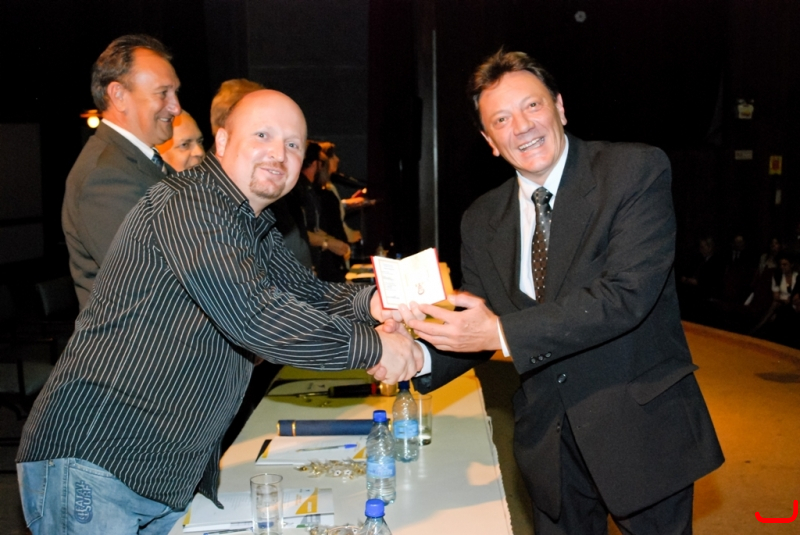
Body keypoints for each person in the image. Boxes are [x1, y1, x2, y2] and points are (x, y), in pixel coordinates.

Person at [16, 89, 422, 535]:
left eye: (292, 144)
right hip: (100, 457)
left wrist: (372, 303)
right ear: (223, 142)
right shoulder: (191, 203)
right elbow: (255, 316)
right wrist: (374, 348)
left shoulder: (250, 222)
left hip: (160, 470)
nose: (278, 153)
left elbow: (307, 293)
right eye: (263, 135)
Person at [398, 50, 724, 534]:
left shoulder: (633, 171)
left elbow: (625, 296)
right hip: (547, 444)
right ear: (490, 141)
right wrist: (415, 356)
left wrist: (500, 333)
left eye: (532, 106)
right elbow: (478, 322)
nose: (522, 127)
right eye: (501, 119)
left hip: (639, 429)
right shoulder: (482, 219)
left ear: (560, 108)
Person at [62, 34, 181, 309]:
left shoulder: (140, 163)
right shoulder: (104, 177)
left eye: (175, 92)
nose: (176, 107)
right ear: (118, 95)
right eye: (163, 93)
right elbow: (152, 284)